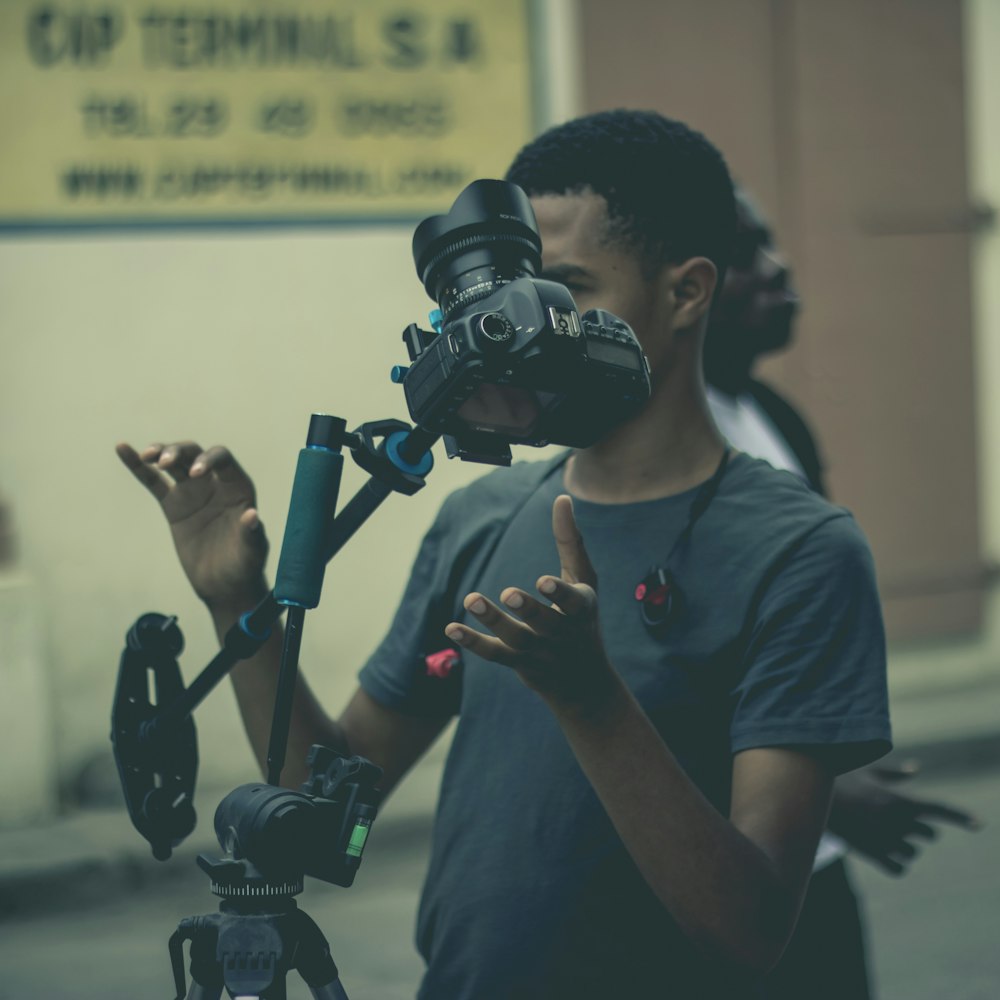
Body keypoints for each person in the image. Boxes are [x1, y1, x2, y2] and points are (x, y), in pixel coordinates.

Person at [117, 109, 892, 998]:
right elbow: (322, 815)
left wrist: (590, 697)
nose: (528, 325)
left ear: (686, 292)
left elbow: (751, 930)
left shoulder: (802, 552)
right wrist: (236, 603)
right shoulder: (483, 516)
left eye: (566, 288)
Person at [704, 188, 981, 998]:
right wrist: (826, 795)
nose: (779, 267)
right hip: (720, 870)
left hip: (809, 871)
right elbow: (669, 675)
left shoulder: (771, 417)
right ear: (688, 289)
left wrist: (822, 785)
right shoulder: (657, 462)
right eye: (750, 252)